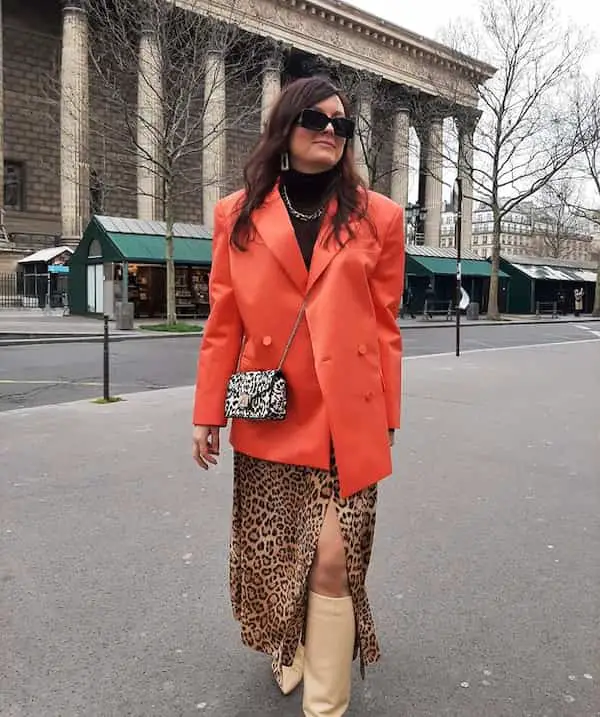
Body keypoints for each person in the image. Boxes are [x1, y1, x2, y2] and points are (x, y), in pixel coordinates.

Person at [192, 76, 404, 716]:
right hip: (273, 409)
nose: (332, 132)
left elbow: (386, 325)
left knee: (334, 561)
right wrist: (207, 412)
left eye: (344, 124)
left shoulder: (380, 216)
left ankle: (326, 704)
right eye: (317, 118)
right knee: (284, 556)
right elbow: (222, 320)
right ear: (285, 125)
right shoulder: (236, 213)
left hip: (348, 419)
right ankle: (291, 641)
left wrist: (388, 415)